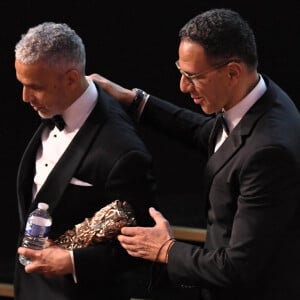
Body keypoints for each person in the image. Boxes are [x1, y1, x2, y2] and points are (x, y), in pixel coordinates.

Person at [89, 8, 300, 300]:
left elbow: (237, 267)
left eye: (193, 76)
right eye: (181, 72)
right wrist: (135, 100)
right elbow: (209, 133)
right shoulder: (260, 97)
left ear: (233, 72)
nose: (183, 86)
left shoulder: (269, 152)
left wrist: (166, 250)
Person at [14, 22, 158, 300]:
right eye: (22, 85)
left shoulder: (124, 150)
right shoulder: (52, 106)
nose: (25, 97)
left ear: (70, 79)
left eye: (35, 87)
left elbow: (146, 247)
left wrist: (72, 261)